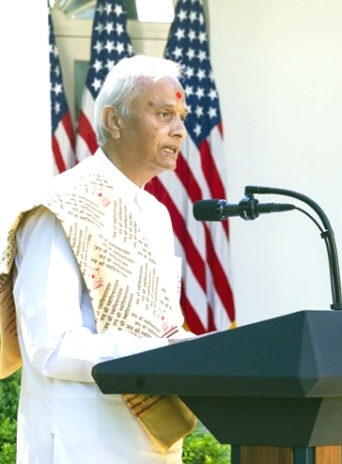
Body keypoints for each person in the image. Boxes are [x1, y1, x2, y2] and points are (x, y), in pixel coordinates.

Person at [0, 55, 196, 463]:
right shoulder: (60, 208)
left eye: (180, 116)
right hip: (80, 443)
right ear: (113, 121)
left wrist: (196, 350)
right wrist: (155, 354)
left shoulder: (157, 216)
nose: (179, 130)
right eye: (163, 114)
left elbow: (161, 329)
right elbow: (50, 347)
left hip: (152, 440)